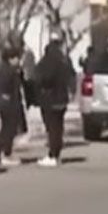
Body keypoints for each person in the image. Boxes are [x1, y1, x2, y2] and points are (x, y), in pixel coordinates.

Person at [34, 34, 75, 167]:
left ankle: (52, 154)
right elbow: (71, 76)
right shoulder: (64, 61)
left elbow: (41, 79)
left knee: (51, 128)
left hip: (50, 99)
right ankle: (56, 154)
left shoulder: (46, 63)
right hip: (62, 99)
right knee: (58, 127)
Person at [0, 48, 27, 166]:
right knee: (9, 129)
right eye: (16, 58)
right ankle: (6, 154)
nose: (18, 60)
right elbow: (11, 88)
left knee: (5, 128)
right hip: (9, 103)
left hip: (4, 102)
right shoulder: (9, 71)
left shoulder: (4, 69)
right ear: (10, 59)